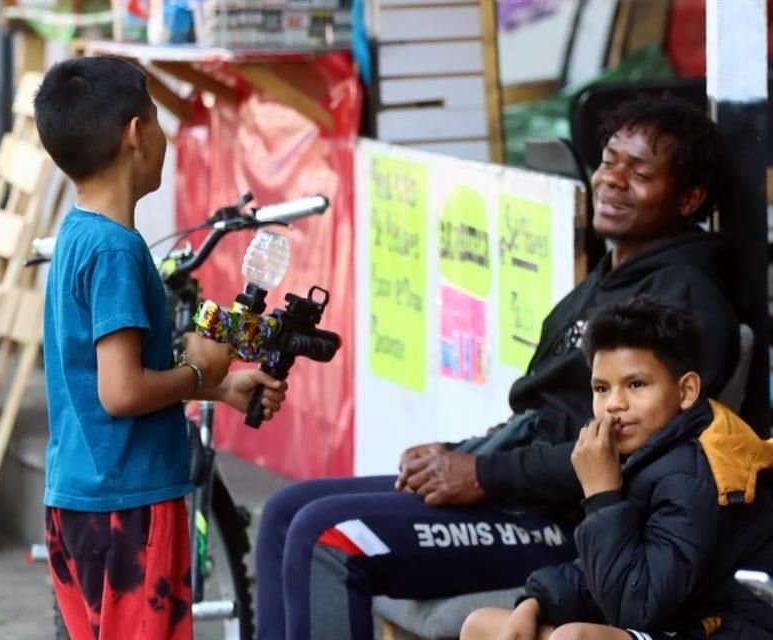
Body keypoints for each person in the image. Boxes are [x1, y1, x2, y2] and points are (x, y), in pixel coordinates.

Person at [254, 97, 748, 640]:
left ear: (690, 198)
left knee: (333, 537)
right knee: (284, 511)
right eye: (609, 161)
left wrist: (483, 474)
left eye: (641, 172)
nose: (612, 180)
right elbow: (540, 415)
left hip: (570, 525)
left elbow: (637, 449)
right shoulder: (602, 281)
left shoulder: (686, 296)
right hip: (516, 495)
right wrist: (463, 452)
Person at [33, 57, 288, 640]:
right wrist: (199, 370)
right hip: (129, 504)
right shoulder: (116, 251)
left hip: (79, 496)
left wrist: (219, 387)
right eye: (157, 119)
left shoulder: (78, 234)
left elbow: (111, 378)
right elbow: (121, 392)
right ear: (137, 134)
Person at [461, 295, 773, 640]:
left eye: (636, 385)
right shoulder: (652, 451)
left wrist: (601, 494)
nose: (614, 404)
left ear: (685, 391)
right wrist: (537, 603)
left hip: (727, 628)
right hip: (676, 615)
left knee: (573, 639)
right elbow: (610, 566)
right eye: (601, 388)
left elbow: (635, 606)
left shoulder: (694, 473)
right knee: (483, 624)